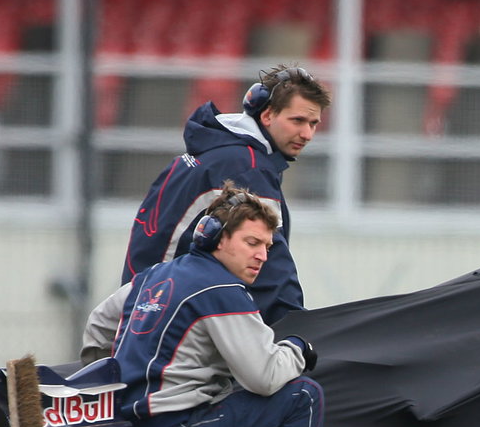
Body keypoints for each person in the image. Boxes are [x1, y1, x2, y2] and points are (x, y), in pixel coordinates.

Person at [82, 183, 324, 427]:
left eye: (268, 247)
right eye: (252, 242)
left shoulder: (149, 279)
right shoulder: (222, 288)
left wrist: (109, 387)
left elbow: (97, 326)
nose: (263, 256)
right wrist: (297, 348)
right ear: (216, 237)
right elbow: (265, 377)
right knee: (304, 396)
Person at [123, 64, 330, 324]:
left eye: (313, 123)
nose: (307, 134)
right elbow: (270, 268)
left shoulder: (216, 149)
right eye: (297, 121)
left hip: (145, 308)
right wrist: (295, 331)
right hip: (171, 317)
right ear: (267, 116)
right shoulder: (248, 167)